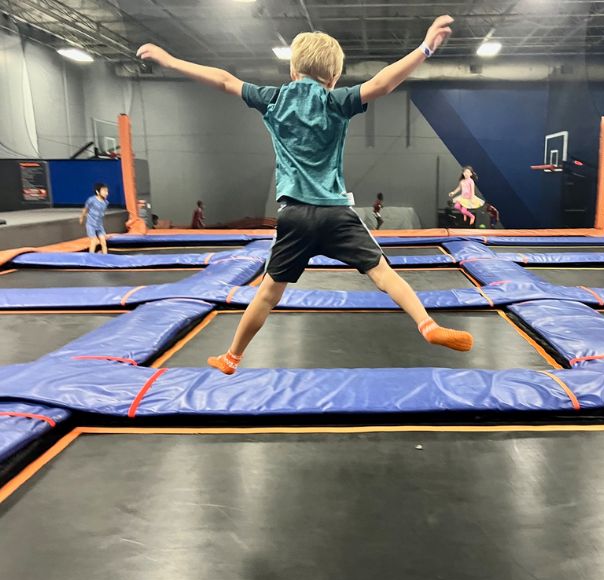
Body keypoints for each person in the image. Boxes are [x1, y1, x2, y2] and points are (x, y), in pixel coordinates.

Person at [137, 15, 473, 375]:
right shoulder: (336, 101)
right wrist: (424, 48)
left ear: (293, 70)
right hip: (336, 213)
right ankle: (427, 325)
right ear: (333, 78)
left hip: (294, 214)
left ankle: (232, 356)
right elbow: (382, 84)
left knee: (268, 292)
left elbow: (223, 79)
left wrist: (169, 60)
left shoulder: (274, 99)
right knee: (383, 272)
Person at [79, 182, 109, 254]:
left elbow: (101, 214)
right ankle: (91, 257)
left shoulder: (106, 202)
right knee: (94, 241)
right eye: (104, 191)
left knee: (103, 241)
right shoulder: (91, 200)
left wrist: (103, 231)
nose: (106, 193)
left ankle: (106, 257)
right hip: (91, 225)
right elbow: (85, 209)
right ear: (97, 192)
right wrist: (81, 217)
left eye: (107, 191)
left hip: (99, 226)